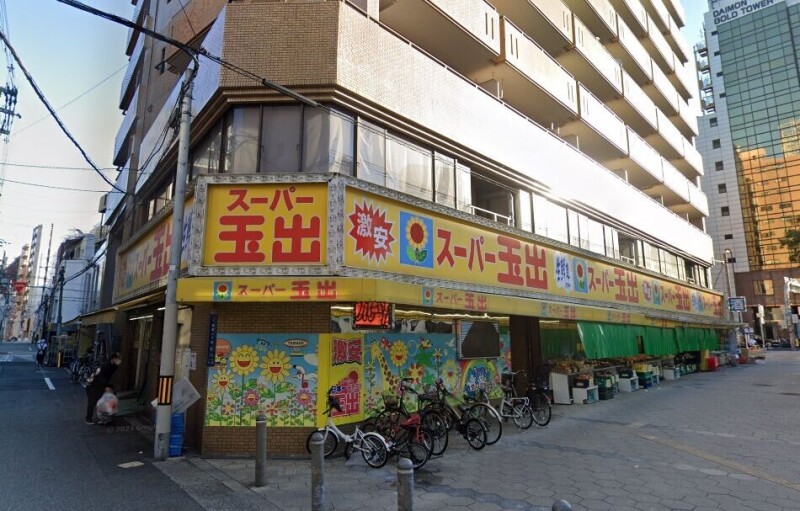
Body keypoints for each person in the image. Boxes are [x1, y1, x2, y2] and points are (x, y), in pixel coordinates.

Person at [85, 353, 122, 424]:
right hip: (93, 385)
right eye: (119, 359)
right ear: (113, 359)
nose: (120, 361)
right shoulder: (106, 366)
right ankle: (88, 419)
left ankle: (105, 418)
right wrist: (107, 386)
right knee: (92, 402)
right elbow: (100, 377)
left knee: (106, 400)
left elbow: (107, 378)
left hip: (100, 385)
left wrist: (108, 387)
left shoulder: (113, 366)